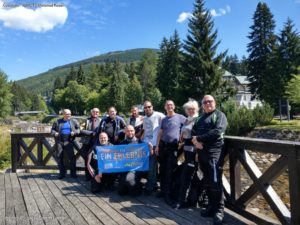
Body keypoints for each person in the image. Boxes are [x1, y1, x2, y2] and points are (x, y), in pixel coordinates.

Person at [192, 95, 227, 225]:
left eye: (210, 101)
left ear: (214, 102)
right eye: (205, 102)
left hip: (214, 153)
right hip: (202, 154)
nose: (208, 103)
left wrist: (199, 139)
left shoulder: (219, 115)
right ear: (202, 105)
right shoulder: (200, 118)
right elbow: (193, 133)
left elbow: (218, 131)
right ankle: (212, 206)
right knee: (206, 181)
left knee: (215, 181)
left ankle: (219, 210)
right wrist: (196, 143)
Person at [156, 100, 186, 206]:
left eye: (171, 105)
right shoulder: (164, 119)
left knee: (170, 170)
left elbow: (189, 124)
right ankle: (163, 190)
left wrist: (182, 134)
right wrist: (157, 146)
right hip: (162, 146)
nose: (169, 106)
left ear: (174, 106)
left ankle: (168, 194)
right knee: (162, 169)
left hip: (173, 147)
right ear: (165, 107)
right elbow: (160, 132)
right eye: (167, 105)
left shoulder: (180, 117)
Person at [174, 99, 200, 209]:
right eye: (189, 109)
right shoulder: (187, 120)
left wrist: (198, 152)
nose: (191, 110)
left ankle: (191, 200)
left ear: (196, 109)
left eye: (193, 109)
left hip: (195, 151)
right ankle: (183, 200)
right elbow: (184, 132)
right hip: (186, 150)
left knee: (192, 176)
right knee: (185, 176)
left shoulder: (199, 120)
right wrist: (181, 135)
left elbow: (199, 137)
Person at [141, 100, 165, 195]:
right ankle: (153, 184)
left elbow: (167, 124)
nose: (147, 109)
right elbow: (145, 131)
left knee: (152, 167)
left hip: (156, 144)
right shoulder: (145, 118)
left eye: (149, 107)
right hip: (146, 144)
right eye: (145, 107)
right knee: (150, 167)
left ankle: (151, 186)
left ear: (152, 106)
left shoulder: (159, 115)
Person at [117, 125, 146, 196]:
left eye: (131, 131)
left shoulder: (141, 143)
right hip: (125, 168)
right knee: (121, 192)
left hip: (136, 169)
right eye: (128, 131)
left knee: (129, 183)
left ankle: (138, 186)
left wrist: (151, 150)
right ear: (125, 132)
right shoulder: (122, 143)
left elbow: (146, 156)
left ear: (134, 131)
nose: (130, 132)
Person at [51, 109, 80, 179]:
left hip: (69, 141)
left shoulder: (74, 121)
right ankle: (62, 174)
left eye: (69, 114)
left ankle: (73, 173)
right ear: (63, 114)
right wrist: (55, 133)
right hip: (60, 141)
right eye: (67, 114)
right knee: (60, 158)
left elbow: (79, 129)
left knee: (72, 158)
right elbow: (52, 130)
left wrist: (75, 132)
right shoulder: (57, 121)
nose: (68, 115)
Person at [80, 108, 101, 181]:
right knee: (86, 159)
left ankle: (95, 175)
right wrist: (92, 133)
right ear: (91, 112)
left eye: (97, 112)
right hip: (87, 143)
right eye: (94, 112)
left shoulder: (101, 121)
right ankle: (87, 176)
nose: (95, 113)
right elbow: (81, 130)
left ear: (99, 113)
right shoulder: (86, 120)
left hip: (97, 143)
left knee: (95, 160)